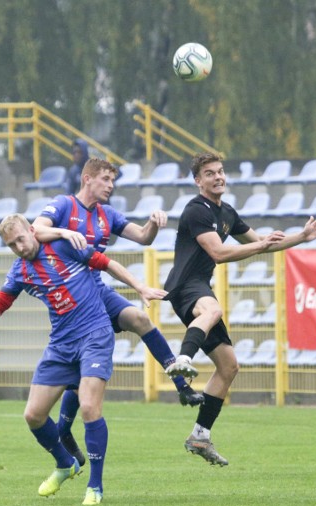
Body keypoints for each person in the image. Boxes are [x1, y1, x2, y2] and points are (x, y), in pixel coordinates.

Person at [0, 213, 165, 505]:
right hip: (61, 344)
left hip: (95, 334)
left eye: (20, 239)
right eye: (11, 245)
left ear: (32, 231)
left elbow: (109, 264)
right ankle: (66, 464)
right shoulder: (20, 272)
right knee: (33, 415)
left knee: (90, 407)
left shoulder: (66, 246)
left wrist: (140, 287)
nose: (19, 247)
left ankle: (95, 485)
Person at [33, 157, 204, 465]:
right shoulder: (63, 205)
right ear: (87, 179)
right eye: (106, 180)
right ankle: (64, 429)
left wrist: (153, 222)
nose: (111, 186)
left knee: (139, 318)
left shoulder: (106, 215)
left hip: (97, 289)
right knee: (82, 370)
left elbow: (142, 237)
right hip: (73, 296)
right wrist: (62, 232)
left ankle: (181, 384)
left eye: (113, 180)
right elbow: (36, 230)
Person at [164, 152, 316, 466]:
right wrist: (262, 244)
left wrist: (302, 236)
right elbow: (219, 252)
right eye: (210, 173)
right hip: (185, 286)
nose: (218, 177)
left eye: (221, 171)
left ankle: (200, 435)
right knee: (212, 311)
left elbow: (262, 243)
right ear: (198, 181)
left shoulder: (226, 212)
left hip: (200, 285)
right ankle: (183, 358)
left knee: (229, 367)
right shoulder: (196, 210)